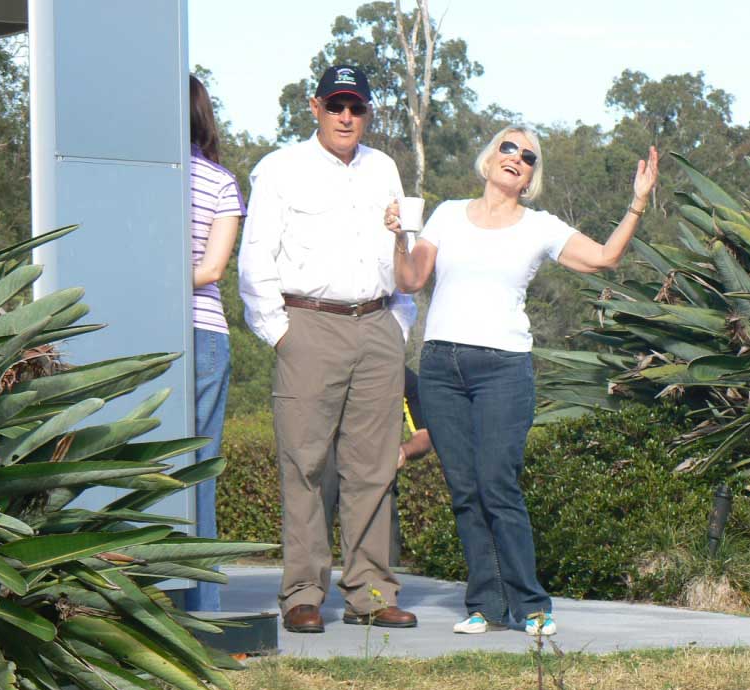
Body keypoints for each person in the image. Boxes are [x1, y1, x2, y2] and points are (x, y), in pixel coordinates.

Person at [385, 125, 659, 636]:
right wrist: (400, 236)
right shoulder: (446, 214)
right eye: (508, 148)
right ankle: (485, 607)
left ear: (531, 177)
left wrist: (638, 203)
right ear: (489, 160)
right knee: (465, 489)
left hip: (503, 369)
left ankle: (532, 606)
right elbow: (411, 279)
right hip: (441, 366)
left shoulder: (539, 227)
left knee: (497, 484)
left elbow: (605, 258)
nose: (516, 157)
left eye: (528, 156)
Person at [238, 65, 418, 633]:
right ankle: (302, 593)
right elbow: (255, 257)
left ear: (368, 113)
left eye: (356, 107)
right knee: (306, 464)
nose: (345, 117)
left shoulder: (383, 168)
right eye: (336, 105)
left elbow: (404, 246)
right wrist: (280, 332)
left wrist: (400, 322)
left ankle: (371, 592)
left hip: (378, 324)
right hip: (308, 325)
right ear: (315, 107)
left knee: (373, 468)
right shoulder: (280, 168)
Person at [185, 75, 245, 612]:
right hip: (205, 330)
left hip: (154, 328)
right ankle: (202, 606)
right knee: (201, 466)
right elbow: (212, 269)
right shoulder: (220, 182)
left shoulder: (138, 179)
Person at [321, 366, 433, 566]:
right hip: (325, 459)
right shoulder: (325, 367)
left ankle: (380, 582)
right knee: (312, 535)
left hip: (375, 467)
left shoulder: (402, 377)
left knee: (381, 560)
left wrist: (404, 451)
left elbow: (424, 436)